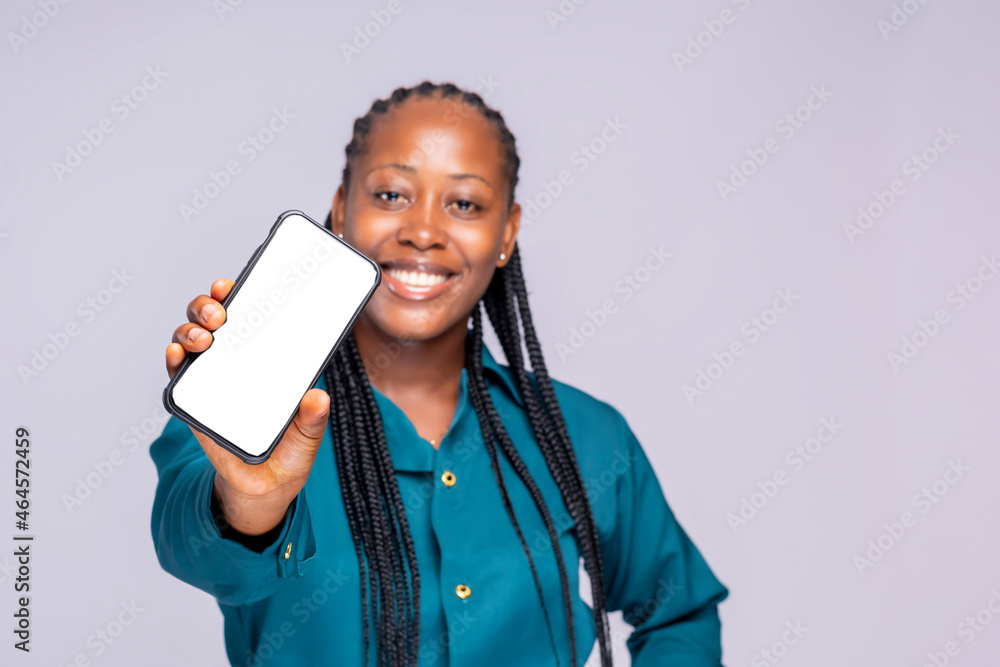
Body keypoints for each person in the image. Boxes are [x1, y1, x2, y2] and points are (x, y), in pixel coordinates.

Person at [150, 80, 729, 667]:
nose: (423, 231)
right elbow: (195, 551)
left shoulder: (585, 435)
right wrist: (251, 504)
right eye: (393, 195)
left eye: (465, 204)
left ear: (505, 233)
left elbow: (679, 612)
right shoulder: (254, 415)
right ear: (342, 210)